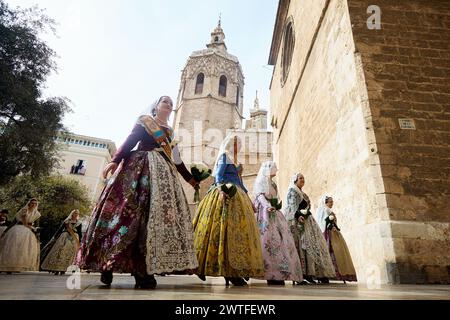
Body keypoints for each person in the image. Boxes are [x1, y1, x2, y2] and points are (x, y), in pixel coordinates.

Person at [76, 96, 199, 289]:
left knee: (151, 220)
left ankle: (142, 270)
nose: (168, 103)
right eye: (164, 101)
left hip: (164, 177)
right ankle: (107, 265)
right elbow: (130, 141)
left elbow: (176, 159)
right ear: (156, 106)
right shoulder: (145, 122)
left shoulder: (171, 133)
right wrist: (115, 160)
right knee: (125, 214)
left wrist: (191, 179)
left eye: (170, 103)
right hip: (139, 171)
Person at [193, 134, 264, 286]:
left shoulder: (236, 161)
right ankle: (205, 266)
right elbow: (218, 176)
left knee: (237, 231)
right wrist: (221, 191)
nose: (239, 146)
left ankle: (234, 270)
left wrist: (249, 199)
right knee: (218, 229)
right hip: (225, 192)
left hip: (238, 194)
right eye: (236, 143)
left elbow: (240, 182)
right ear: (230, 144)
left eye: (240, 144)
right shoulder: (224, 157)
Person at [253, 161, 303, 285]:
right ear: (268, 169)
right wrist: (267, 206)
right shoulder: (261, 182)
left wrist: (276, 205)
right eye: (275, 168)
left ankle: (280, 273)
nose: (276, 170)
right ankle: (270, 274)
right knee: (269, 241)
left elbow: (274, 198)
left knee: (281, 242)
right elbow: (260, 196)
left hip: (275, 214)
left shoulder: (273, 184)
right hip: (265, 215)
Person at [284, 173, 335, 284]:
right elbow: (291, 206)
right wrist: (298, 216)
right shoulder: (292, 191)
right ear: (295, 180)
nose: (303, 179)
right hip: (298, 222)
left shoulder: (303, 194)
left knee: (313, 245)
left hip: (308, 221)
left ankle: (314, 273)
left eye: (304, 178)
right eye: (300, 178)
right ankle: (302, 274)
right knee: (302, 247)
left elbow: (307, 207)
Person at [316, 195, 357, 283]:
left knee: (338, 252)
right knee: (333, 251)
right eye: (330, 202)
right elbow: (324, 222)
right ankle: (331, 273)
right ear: (325, 202)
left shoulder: (328, 210)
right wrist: (330, 226)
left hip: (334, 232)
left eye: (332, 201)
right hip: (330, 233)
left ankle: (337, 273)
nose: (332, 203)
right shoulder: (325, 210)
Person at [0, 199, 41, 273]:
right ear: (28, 204)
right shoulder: (24, 210)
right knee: (13, 248)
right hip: (19, 230)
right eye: (32, 203)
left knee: (23, 250)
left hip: (28, 232)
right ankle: (7, 266)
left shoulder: (37, 213)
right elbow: (21, 222)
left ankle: (17, 267)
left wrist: (36, 230)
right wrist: (5, 232)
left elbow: (35, 224)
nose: (33, 205)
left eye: (35, 204)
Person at [41, 210, 82, 275]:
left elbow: (79, 233)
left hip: (74, 238)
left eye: (77, 213)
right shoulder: (66, 221)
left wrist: (79, 241)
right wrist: (55, 237)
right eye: (75, 213)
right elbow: (59, 230)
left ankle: (64, 269)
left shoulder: (79, 223)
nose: (76, 214)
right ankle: (56, 268)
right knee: (60, 251)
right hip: (64, 237)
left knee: (69, 253)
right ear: (72, 214)